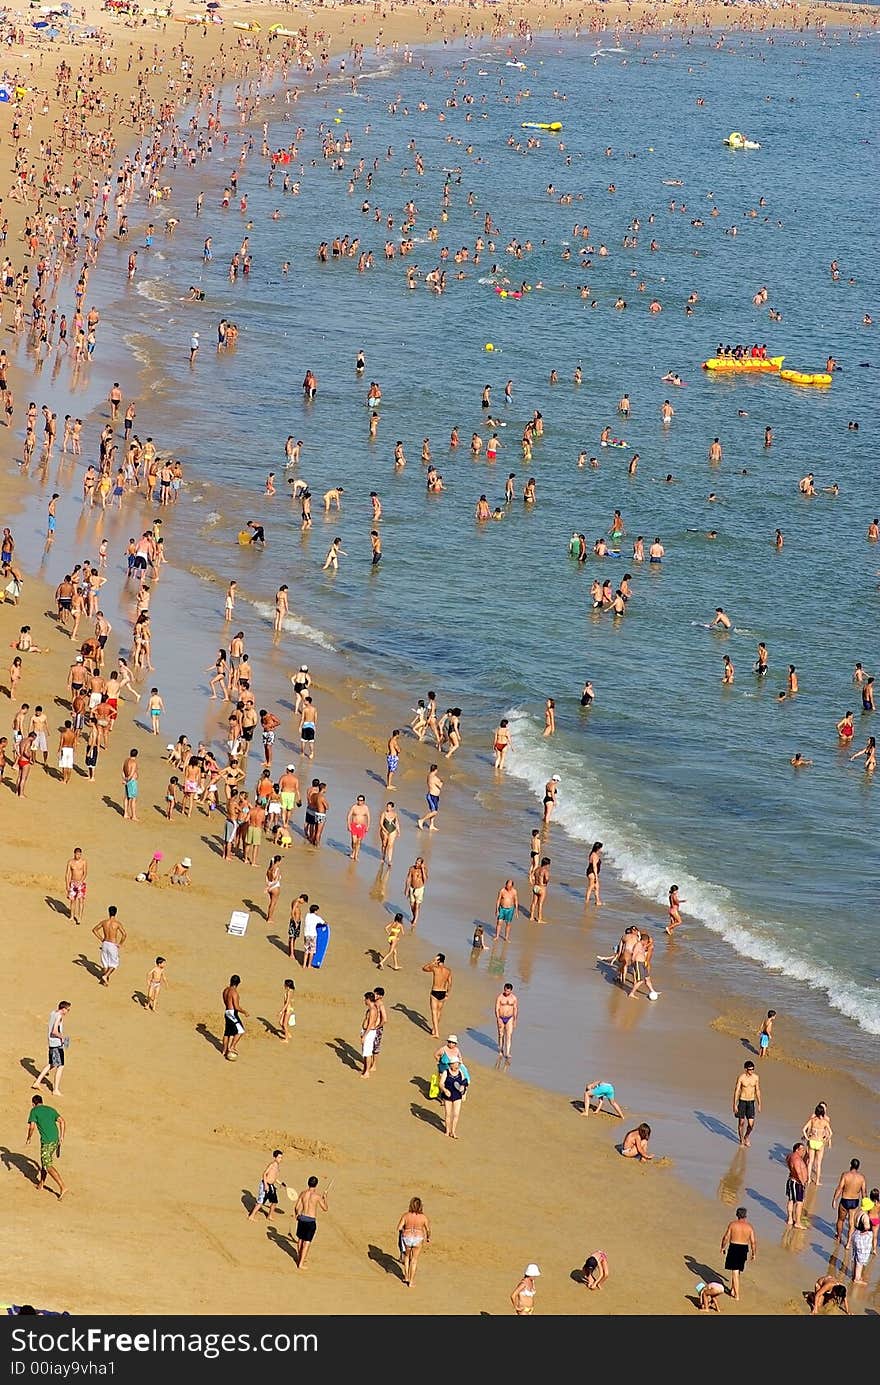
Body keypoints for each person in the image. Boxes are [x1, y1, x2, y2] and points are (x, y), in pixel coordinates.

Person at [26, 1095, 66, 1198]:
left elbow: (32, 1127)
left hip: (47, 1142)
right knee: (44, 1161)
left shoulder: (34, 1111)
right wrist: (61, 1137)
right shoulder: (50, 1109)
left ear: (33, 1103)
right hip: (55, 1140)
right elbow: (62, 1121)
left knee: (48, 1165)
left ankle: (62, 1186)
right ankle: (41, 1184)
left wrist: (29, 1138)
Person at [32, 1002, 71, 1096]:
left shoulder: (53, 1013)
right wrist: (62, 1037)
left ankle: (37, 1082)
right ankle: (55, 1089)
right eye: (68, 1010)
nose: (68, 1012)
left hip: (52, 1043)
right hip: (57, 1044)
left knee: (52, 1064)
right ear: (63, 1009)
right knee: (60, 1066)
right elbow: (54, 1031)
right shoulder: (59, 1016)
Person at [720, 1208, 756, 1301]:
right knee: (738, 1270)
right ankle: (732, 1289)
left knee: (735, 1271)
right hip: (744, 1248)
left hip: (734, 1247)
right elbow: (753, 1242)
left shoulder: (733, 1225)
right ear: (746, 1216)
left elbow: (726, 1237)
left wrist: (723, 1247)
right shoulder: (749, 1227)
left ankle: (737, 1295)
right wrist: (753, 1253)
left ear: (737, 1215)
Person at [294, 1176, 329, 1269]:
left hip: (302, 1218)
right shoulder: (316, 1196)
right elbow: (325, 1208)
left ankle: (300, 1257)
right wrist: (325, 1198)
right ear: (316, 1185)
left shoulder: (303, 1193)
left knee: (300, 1239)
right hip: (310, 1220)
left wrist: (297, 1214)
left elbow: (297, 1207)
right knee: (307, 1242)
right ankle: (301, 1263)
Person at [397, 1198, 431, 1288]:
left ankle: (406, 1277)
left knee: (407, 1257)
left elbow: (399, 1228)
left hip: (407, 1237)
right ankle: (411, 1282)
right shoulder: (423, 1217)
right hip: (418, 1238)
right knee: (414, 1260)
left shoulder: (406, 1215)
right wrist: (428, 1238)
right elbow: (428, 1229)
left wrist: (405, 1231)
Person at [832, 1159, 867, 1244]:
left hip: (845, 1200)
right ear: (858, 1166)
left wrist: (834, 1199)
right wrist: (865, 1205)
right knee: (851, 1222)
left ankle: (839, 1237)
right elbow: (864, 1192)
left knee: (840, 1220)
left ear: (850, 1165)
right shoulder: (861, 1177)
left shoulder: (845, 1175)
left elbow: (840, 1188)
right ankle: (848, 1242)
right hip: (854, 1201)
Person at [92, 907, 126, 986]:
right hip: (112, 944)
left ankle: (105, 981)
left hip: (105, 943)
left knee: (105, 962)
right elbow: (124, 934)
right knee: (114, 963)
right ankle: (105, 976)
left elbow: (94, 930)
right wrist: (120, 944)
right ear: (116, 913)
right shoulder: (117, 923)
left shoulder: (104, 922)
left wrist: (101, 939)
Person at [248, 1151, 285, 1222]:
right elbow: (264, 1174)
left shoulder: (277, 1166)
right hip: (266, 1185)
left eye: (281, 1157)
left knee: (274, 1201)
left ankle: (269, 1216)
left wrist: (280, 1183)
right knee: (260, 1202)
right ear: (275, 1157)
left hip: (271, 1186)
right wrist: (265, 1185)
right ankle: (251, 1216)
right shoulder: (272, 1165)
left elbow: (274, 1177)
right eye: (279, 1157)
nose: (281, 1159)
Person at [422, 954, 452, 1037]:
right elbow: (450, 983)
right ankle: (434, 1029)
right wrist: (447, 993)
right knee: (439, 1012)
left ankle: (436, 1032)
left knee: (434, 1012)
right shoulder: (448, 970)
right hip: (443, 992)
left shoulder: (435, 968)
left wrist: (433, 962)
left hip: (435, 991)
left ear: (438, 960)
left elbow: (424, 968)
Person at [802, 1103, 833, 1186]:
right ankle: (817, 1181)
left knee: (810, 1161)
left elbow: (804, 1129)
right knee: (818, 1163)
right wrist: (826, 1140)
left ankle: (808, 1179)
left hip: (812, 1141)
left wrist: (807, 1138)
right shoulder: (825, 1122)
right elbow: (830, 1133)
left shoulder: (812, 1120)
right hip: (820, 1142)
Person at [733, 1061, 761, 1146]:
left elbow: (757, 1090)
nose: (751, 1071)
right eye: (749, 1069)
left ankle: (746, 1137)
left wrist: (759, 1103)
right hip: (742, 1101)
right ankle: (741, 1139)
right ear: (746, 1069)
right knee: (741, 1123)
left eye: (752, 1069)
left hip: (751, 1102)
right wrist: (734, 1104)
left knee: (751, 1124)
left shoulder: (756, 1077)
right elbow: (737, 1090)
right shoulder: (741, 1078)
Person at [222, 975, 247, 1060]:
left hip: (226, 1012)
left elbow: (225, 1002)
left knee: (227, 1033)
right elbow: (236, 1007)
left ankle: (224, 1050)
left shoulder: (225, 990)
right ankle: (232, 1047)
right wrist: (244, 1012)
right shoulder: (234, 992)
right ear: (238, 983)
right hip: (232, 1013)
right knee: (241, 1031)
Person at [441, 1059, 468, 1138]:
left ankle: (453, 1132)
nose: (456, 1066)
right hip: (448, 1096)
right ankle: (447, 1131)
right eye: (455, 1064)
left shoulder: (460, 1072)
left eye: (457, 1064)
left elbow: (465, 1082)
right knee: (448, 1114)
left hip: (457, 1096)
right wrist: (445, 1090)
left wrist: (464, 1092)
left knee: (456, 1114)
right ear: (451, 1064)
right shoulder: (446, 1072)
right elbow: (441, 1083)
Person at [785, 1141, 809, 1228]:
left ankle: (790, 1219)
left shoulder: (790, 1156)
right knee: (799, 1202)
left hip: (791, 1180)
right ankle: (798, 1222)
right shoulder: (796, 1159)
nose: (803, 1151)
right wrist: (802, 1183)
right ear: (797, 1149)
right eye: (802, 1150)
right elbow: (798, 1172)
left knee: (791, 1200)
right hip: (797, 1182)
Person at [64, 847, 88, 925]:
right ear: (74, 854)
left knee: (81, 900)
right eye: (77, 854)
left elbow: (85, 873)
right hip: (73, 883)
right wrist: (67, 885)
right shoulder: (70, 862)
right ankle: (72, 916)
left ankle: (79, 917)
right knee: (72, 901)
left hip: (81, 883)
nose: (78, 856)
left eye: (80, 854)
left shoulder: (84, 862)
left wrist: (80, 882)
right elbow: (67, 874)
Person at [495, 983, 518, 1058]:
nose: (506, 992)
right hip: (501, 1017)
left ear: (511, 991)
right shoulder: (500, 997)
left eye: (508, 991)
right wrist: (498, 1018)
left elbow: (515, 1009)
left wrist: (515, 1020)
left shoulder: (514, 998)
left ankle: (507, 1052)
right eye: (505, 990)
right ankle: (501, 1050)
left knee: (509, 1035)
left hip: (510, 1018)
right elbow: (497, 1008)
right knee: (501, 1034)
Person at [417, 764, 443, 831]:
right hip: (432, 796)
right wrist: (441, 781)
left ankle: (431, 825)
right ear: (436, 770)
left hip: (435, 796)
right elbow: (440, 785)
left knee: (433, 811)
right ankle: (421, 820)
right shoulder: (433, 778)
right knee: (434, 812)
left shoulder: (430, 775)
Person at [405, 857, 428, 927]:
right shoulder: (412, 869)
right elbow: (408, 878)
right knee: (412, 905)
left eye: (418, 862)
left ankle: (414, 921)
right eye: (416, 862)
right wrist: (406, 888)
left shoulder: (424, 870)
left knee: (417, 906)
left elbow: (425, 880)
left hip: (420, 889)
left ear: (421, 864)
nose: (416, 864)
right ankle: (415, 916)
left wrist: (423, 869)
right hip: (412, 888)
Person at [346, 795, 371, 861]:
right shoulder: (354, 807)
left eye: (361, 800)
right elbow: (349, 816)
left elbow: (368, 817)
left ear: (363, 801)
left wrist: (368, 826)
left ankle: (356, 855)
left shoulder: (366, 808)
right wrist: (348, 825)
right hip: (354, 825)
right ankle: (353, 851)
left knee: (359, 841)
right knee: (354, 841)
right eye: (359, 800)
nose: (360, 802)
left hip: (362, 826)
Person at [851, 1212, 873, 1283]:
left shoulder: (859, 1212)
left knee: (856, 1257)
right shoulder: (865, 1216)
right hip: (862, 1238)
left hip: (856, 1234)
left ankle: (855, 1275)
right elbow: (867, 1227)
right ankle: (857, 1278)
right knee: (860, 1259)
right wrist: (865, 1231)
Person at [585, 842, 603, 906]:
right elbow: (594, 866)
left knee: (597, 887)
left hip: (591, 872)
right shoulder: (594, 855)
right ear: (598, 848)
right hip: (592, 872)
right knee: (591, 886)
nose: (601, 849)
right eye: (601, 848)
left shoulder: (592, 854)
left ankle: (597, 901)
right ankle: (586, 901)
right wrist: (596, 876)